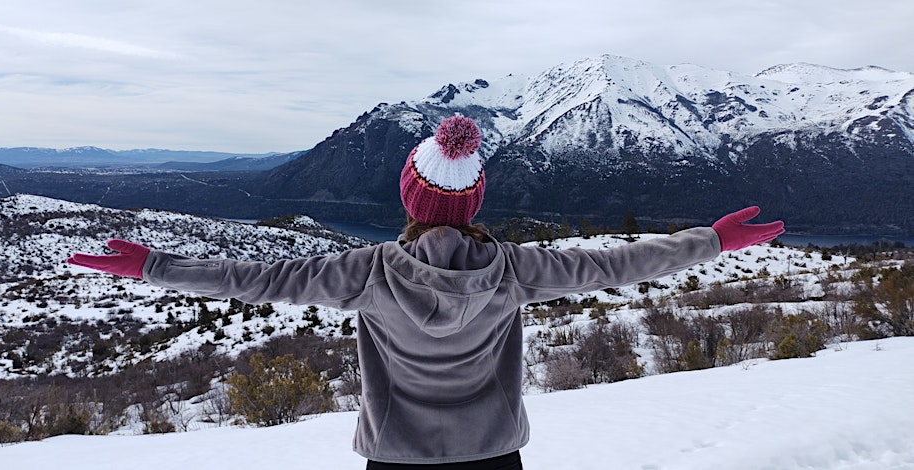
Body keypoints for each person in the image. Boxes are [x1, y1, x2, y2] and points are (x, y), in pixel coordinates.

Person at [68, 116, 784, 469]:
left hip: (396, 458)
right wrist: (711, 241)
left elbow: (254, 279)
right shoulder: (514, 268)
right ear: (474, 204)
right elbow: (616, 264)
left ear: (410, 198)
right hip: (493, 454)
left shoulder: (367, 272)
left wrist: (155, 266)